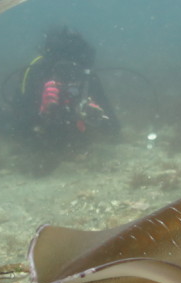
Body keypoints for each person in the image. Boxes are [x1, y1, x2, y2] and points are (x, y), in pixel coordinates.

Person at [8, 26, 119, 173]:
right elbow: (21, 124)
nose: (68, 77)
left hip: (69, 131)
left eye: (73, 72)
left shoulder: (87, 78)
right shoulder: (36, 73)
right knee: (6, 127)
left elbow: (113, 127)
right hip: (40, 127)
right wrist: (45, 112)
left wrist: (94, 115)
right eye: (62, 73)